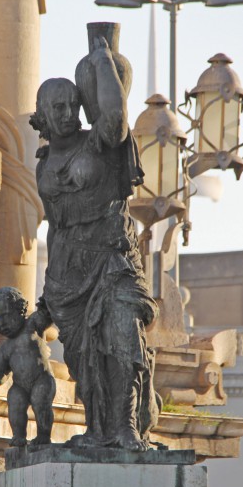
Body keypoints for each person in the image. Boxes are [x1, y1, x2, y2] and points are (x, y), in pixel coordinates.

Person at [30, 37, 160, 451]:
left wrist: (104, 60)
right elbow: (54, 225)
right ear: (44, 117)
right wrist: (50, 290)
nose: (69, 114)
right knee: (85, 358)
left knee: (123, 340)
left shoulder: (99, 144)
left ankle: (125, 428)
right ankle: (98, 429)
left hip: (111, 259)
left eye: (73, 104)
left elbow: (117, 118)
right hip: (69, 270)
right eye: (59, 108)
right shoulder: (43, 164)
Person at [0, 287, 56, 447]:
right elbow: (1, 378)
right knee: (14, 403)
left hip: (41, 379)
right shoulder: (5, 348)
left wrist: (50, 300)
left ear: (20, 310)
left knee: (40, 403)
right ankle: (19, 436)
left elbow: (48, 315)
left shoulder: (32, 325)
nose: (2, 324)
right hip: (19, 385)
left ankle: (43, 435)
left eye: (6, 316)